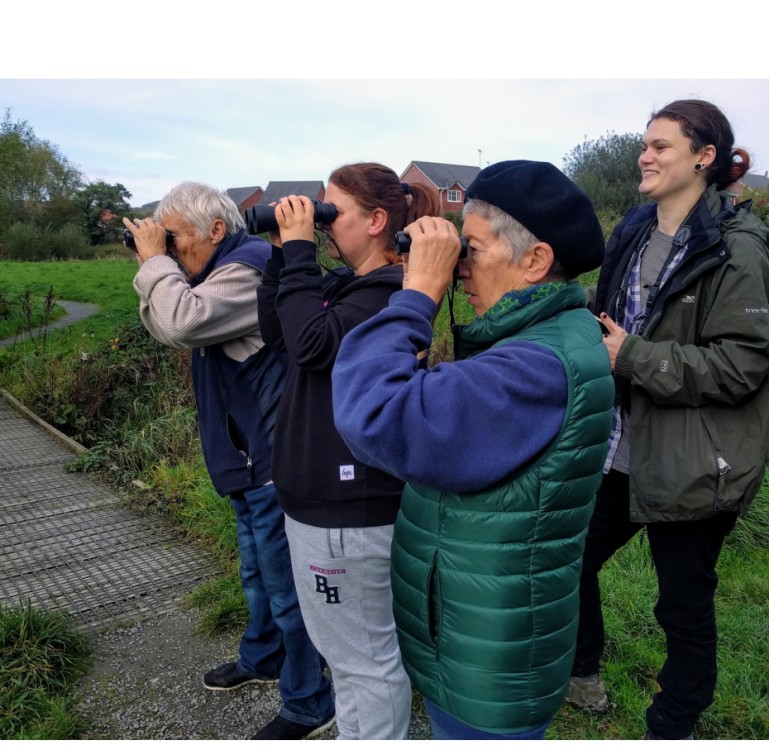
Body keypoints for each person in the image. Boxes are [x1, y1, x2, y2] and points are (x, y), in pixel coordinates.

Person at [331, 160, 615, 740]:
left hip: (487, 667)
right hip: (475, 642)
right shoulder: (539, 340)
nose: (459, 265)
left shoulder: (537, 366)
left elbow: (374, 416)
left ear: (534, 260)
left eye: (473, 249)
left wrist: (415, 296)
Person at [565, 100, 769, 740]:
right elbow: (613, 311)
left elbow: (742, 366)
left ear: (704, 157)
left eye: (660, 146)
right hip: (622, 443)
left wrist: (634, 355)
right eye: (644, 146)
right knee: (570, 558)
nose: (644, 157)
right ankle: (582, 672)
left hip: (695, 456)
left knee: (682, 602)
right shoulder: (633, 227)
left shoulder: (737, 248)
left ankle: (673, 724)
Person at [123, 182, 335, 741]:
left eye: (176, 238)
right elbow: (167, 322)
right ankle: (263, 657)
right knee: (256, 575)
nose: (169, 248)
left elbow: (182, 321)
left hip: (270, 456)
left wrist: (153, 262)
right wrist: (161, 265)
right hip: (242, 454)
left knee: (287, 588)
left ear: (216, 230)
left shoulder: (251, 265)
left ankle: (310, 701)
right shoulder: (211, 270)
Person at [256, 163, 440, 740]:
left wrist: (302, 250)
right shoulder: (349, 287)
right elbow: (279, 333)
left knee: (367, 661)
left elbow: (312, 346)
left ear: (377, 220)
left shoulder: (387, 297)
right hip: (324, 507)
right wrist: (284, 255)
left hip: (346, 512)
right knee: (353, 657)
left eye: (332, 212)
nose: (323, 222)